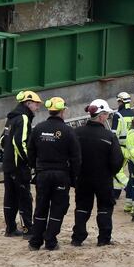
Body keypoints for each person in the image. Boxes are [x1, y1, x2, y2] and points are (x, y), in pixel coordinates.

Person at [27, 97, 82, 251]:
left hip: (42, 174)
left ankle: (35, 242)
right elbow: (76, 158)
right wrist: (74, 178)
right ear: (62, 111)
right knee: (58, 207)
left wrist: (35, 167)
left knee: (41, 207)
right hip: (61, 175)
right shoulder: (68, 131)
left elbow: (30, 151)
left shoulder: (38, 128)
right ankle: (50, 241)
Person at [71, 99, 124, 246]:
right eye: (106, 114)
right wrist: (110, 173)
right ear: (101, 116)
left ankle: (77, 238)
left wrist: (75, 173)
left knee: (82, 207)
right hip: (103, 179)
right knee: (105, 207)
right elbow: (117, 160)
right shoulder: (109, 136)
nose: (107, 117)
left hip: (82, 178)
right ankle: (103, 239)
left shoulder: (76, 133)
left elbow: (70, 155)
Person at [0, 90, 41, 237]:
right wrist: (29, 161)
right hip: (19, 167)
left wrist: (9, 156)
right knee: (24, 198)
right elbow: (20, 142)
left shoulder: (11, 118)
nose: (38, 107)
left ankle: (10, 229)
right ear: (28, 103)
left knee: (10, 197)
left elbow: (2, 141)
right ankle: (28, 229)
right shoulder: (23, 118)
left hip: (8, 165)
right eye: (36, 104)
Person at [111, 92, 134, 210]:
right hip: (131, 148)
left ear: (121, 101)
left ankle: (127, 187)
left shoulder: (118, 115)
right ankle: (116, 193)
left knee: (115, 170)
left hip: (120, 147)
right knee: (122, 170)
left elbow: (114, 134)